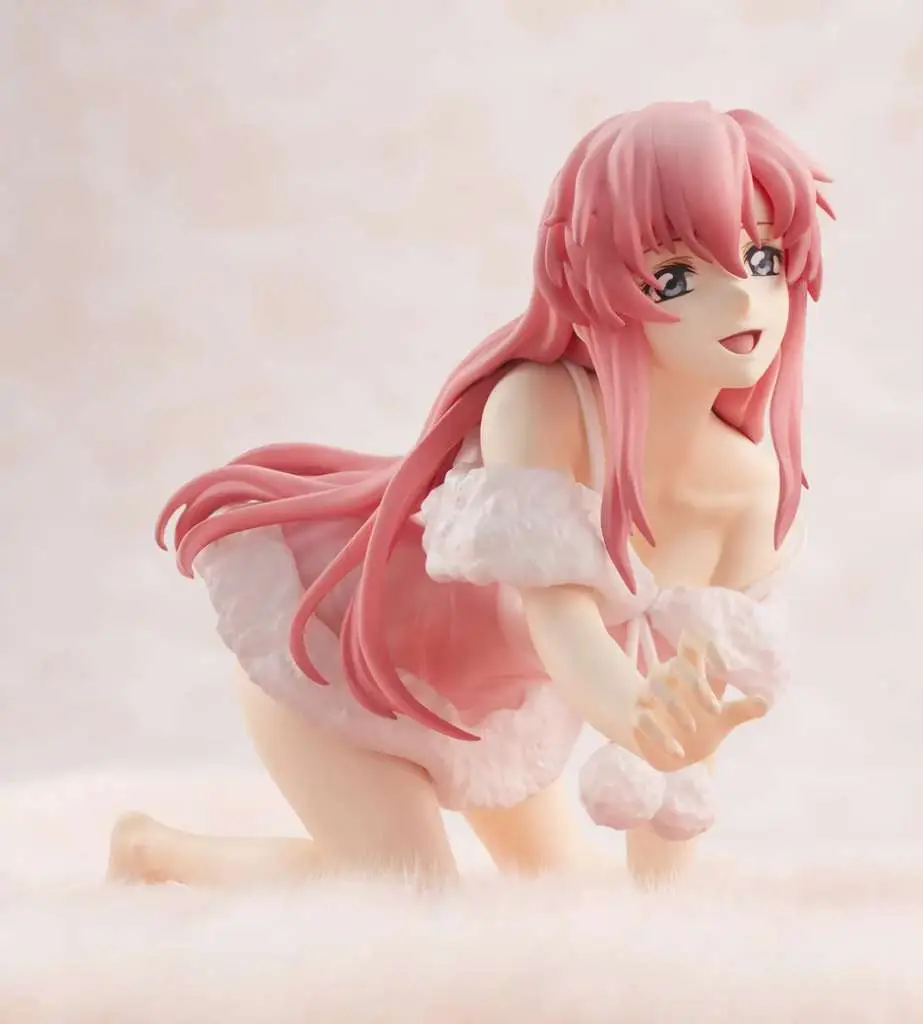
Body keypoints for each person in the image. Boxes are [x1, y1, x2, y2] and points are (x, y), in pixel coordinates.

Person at [108, 99, 833, 888]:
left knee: (565, 895)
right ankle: (155, 853)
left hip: (493, 711)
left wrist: (667, 901)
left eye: (762, 258)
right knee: (411, 898)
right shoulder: (542, 405)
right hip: (346, 661)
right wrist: (638, 719)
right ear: (595, 282)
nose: (741, 299)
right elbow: (562, 623)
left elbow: (689, 718)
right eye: (676, 277)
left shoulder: (751, 486)